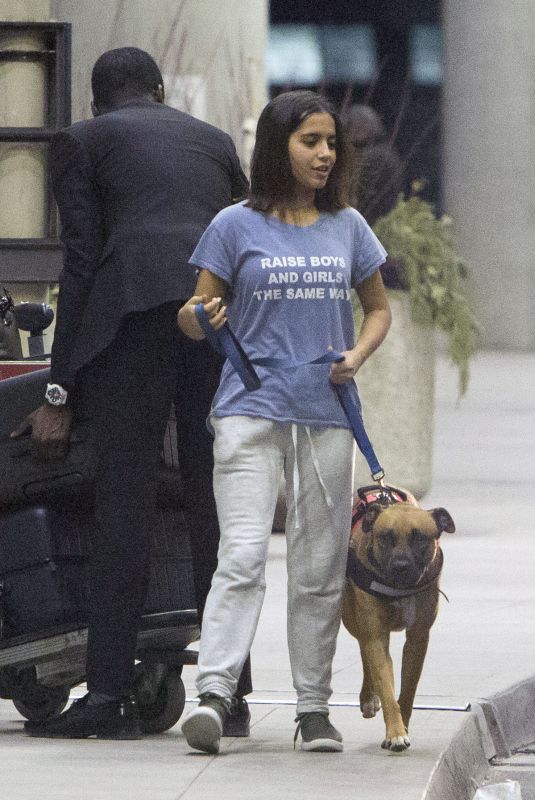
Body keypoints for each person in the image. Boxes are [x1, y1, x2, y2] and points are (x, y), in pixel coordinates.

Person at [12, 47, 252, 738]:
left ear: (95, 100)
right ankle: (227, 695)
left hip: (131, 319)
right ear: (158, 90)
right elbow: (240, 233)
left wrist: (57, 391)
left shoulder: (81, 140)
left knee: (126, 506)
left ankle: (108, 699)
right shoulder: (209, 141)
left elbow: (82, 259)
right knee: (214, 507)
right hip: (212, 317)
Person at [177, 90, 392, 754]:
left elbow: (378, 309)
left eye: (331, 142)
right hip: (247, 408)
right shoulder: (234, 224)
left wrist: (356, 353)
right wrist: (200, 317)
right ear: (279, 147)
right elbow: (192, 313)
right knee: (240, 555)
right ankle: (213, 694)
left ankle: (311, 709)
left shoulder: (348, 226)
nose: (325, 153)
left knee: (318, 568)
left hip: (325, 415)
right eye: (310, 142)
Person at [343, 103, 403, 226]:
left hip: (374, 224)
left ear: (362, 129)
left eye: (349, 128)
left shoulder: (375, 157)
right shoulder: (385, 152)